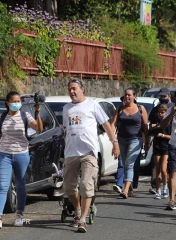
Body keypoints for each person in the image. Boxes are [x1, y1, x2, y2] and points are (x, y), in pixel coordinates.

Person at [62, 79, 119, 233]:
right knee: (68, 187)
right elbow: (66, 130)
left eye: (74, 88)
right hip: (71, 153)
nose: (72, 92)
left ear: (82, 89)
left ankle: (82, 220)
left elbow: (106, 125)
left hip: (89, 153)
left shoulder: (92, 105)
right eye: (69, 89)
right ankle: (78, 210)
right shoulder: (66, 108)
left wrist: (114, 142)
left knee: (86, 185)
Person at [0, 92, 43, 229]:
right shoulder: (2, 117)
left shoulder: (25, 115)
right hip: (4, 154)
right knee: (2, 185)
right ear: (7, 103)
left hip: (21, 154)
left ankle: (20, 214)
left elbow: (38, 129)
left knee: (20, 185)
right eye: (14, 101)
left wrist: (37, 113)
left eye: (18, 101)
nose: (17, 103)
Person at [112, 88, 149, 199]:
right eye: (125, 95)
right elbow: (113, 125)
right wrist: (114, 142)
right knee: (124, 163)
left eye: (129, 95)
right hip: (122, 139)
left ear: (134, 96)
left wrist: (147, 141)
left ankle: (125, 190)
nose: (127, 97)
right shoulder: (119, 109)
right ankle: (131, 187)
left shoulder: (140, 109)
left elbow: (145, 127)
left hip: (135, 140)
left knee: (129, 163)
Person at [147, 88, 174, 194]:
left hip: (168, 144)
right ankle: (157, 187)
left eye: (165, 96)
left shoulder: (173, 109)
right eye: (161, 96)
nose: (163, 98)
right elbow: (150, 125)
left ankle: (168, 184)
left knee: (165, 168)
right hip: (157, 143)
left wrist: (163, 134)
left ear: (169, 96)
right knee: (157, 167)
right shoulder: (154, 110)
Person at [152, 104, 171, 199]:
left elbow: (172, 136)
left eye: (162, 112)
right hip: (157, 146)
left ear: (166, 113)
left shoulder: (169, 123)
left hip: (166, 147)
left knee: (164, 169)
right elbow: (150, 132)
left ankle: (165, 188)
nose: (160, 114)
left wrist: (163, 135)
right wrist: (152, 128)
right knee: (158, 170)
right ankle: (158, 190)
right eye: (159, 112)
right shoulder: (156, 122)